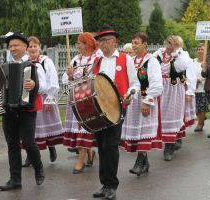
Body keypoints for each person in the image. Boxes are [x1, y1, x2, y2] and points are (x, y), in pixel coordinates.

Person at [91, 25, 140, 200]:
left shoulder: (125, 59)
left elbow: (135, 84)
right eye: (101, 40)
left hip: (118, 107)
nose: (103, 44)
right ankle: (104, 184)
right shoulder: (95, 61)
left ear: (115, 41)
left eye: (106, 40)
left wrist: (129, 95)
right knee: (102, 147)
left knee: (111, 146)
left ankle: (112, 185)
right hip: (99, 110)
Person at [0, 32, 47, 191]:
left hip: (27, 108)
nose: (13, 48)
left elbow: (45, 86)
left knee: (28, 142)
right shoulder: (5, 66)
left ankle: (38, 166)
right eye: (10, 46)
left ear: (25, 47)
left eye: (16, 45)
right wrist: (0, 99)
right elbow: (0, 88)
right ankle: (15, 180)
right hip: (9, 109)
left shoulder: (35, 65)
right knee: (12, 144)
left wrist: (34, 84)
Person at [120, 32, 163, 176]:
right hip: (133, 101)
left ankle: (139, 162)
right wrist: (128, 95)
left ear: (145, 44)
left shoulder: (151, 61)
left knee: (144, 132)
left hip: (145, 101)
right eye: (132, 42)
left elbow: (157, 84)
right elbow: (130, 82)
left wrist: (147, 101)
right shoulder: (130, 61)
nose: (133, 45)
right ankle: (145, 163)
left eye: (136, 43)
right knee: (136, 132)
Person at [22, 36, 63, 167]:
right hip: (29, 98)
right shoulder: (23, 61)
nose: (33, 48)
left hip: (45, 97)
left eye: (35, 46)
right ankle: (30, 155)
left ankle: (51, 148)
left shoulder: (46, 61)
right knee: (30, 129)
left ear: (39, 47)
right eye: (30, 46)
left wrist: (50, 100)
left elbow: (53, 81)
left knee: (47, 127)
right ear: (26, 48)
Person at [153, 35, 194, 161]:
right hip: (160, 89)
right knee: (161, 117)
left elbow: (182, 69)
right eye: (169, 43)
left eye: (174, 44)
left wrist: (190, 92)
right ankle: (175, 139)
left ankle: (169, 147)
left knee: (172, 117)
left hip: (175, 89)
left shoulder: (182, 55)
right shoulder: (158, 54)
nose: (170, 46)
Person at [62, 32, 98, 174]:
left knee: (84, 129)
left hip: (88, 98)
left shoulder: (95, 59)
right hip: (75, 98)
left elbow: (92, 76)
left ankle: (80, 161)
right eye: (77, 43)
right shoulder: (76, 59)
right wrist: (70, 75)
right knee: (78, 130)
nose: (77, 46)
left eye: (80, 43)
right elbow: (65, 78)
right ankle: (89, 153)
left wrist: (76, 77)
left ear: (88, 44)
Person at [193, 43, 209, 132]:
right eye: (198, 49)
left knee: (202, 107)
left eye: (202, 49)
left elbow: (208, 75)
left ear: (205, 51)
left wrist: (200, 80)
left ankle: (200, 124)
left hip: (203, 88)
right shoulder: (193, 61)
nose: (200, 51)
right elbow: (189, 72)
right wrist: (193, 81)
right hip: (194, 88)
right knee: (196, 108)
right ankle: (201, 120)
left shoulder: (207, 62)